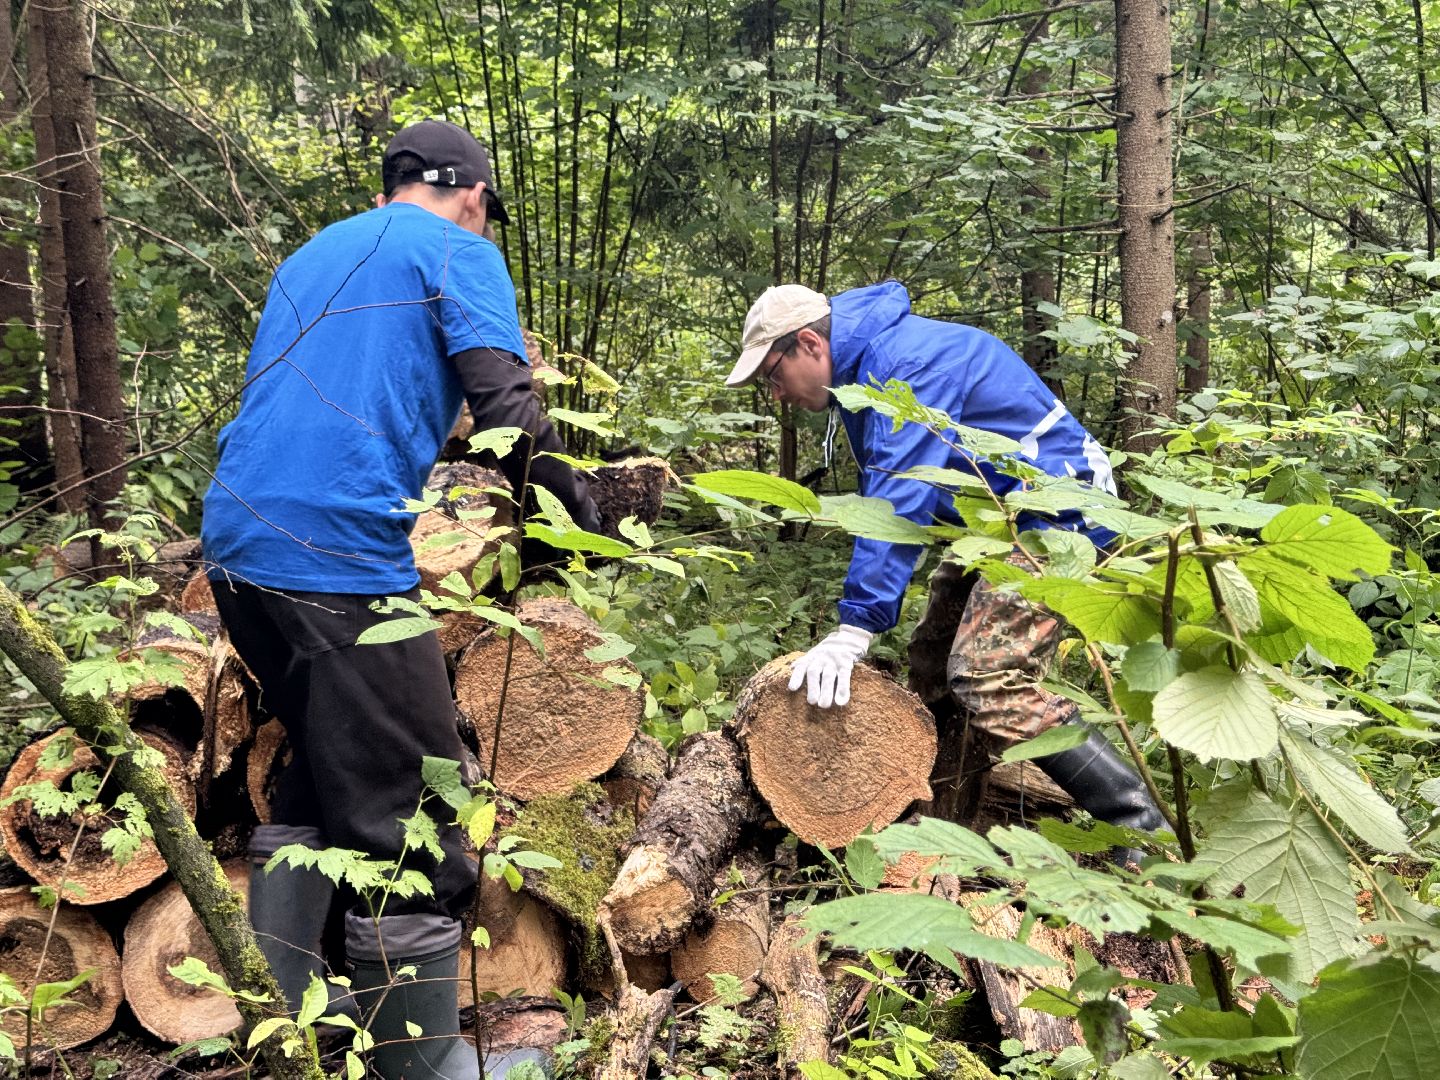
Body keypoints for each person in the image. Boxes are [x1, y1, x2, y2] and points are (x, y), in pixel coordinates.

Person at [201, 120, 599, 1079]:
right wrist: (571, 517)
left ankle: (295, 1028)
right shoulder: (456, 251)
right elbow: (506, 410)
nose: (484, 225)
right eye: (486, 211)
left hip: (238, 548)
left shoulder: (315, 253)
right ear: (469, 195)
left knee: (323, 774)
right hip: (334, 560)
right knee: (422, 803)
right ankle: (424, 1069)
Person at [724, 281, 1163, 857]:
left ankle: (1141, 829)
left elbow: (896, 499)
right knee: (933, 660)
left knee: (986, 674)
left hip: (1061, 512)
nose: (776, 392)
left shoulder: (904, 363)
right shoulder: (863, 375)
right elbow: (899, 509)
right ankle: (939, 821)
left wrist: (856, 626)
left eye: (772, 374)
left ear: (809, 343)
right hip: (996, 521)